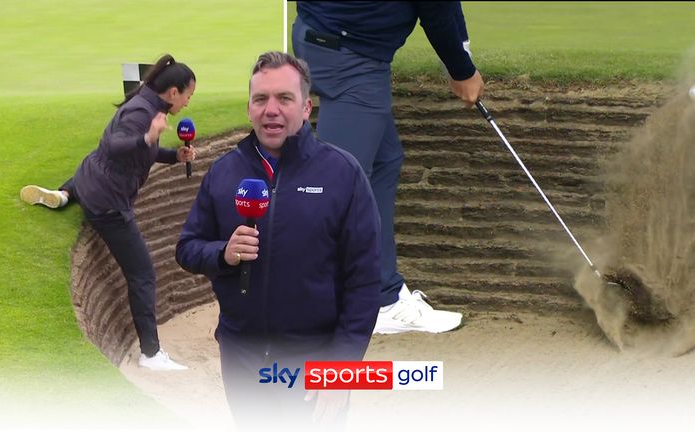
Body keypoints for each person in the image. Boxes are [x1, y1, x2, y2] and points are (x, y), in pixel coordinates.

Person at [175, 51, 381, 430]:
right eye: (261, 99)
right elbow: (188, 248)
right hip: (241, 357)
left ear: (306, 107)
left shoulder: (343, 174)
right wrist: (224, 253)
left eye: (284, 99)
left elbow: (365, 281)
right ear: (249, 108)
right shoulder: (223, 173)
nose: (271, 109)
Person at [292, 1, 485, 335]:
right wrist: (461, 70)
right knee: (340, 184)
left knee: (383, 161)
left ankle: (381, 293)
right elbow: (436, 10)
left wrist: (462, 52)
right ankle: (355, 303)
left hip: (330, 40)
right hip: (351, 58)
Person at [19, 54, 197, 371]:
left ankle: (64, 195)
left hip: (88, 179)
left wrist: (175, 156)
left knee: (93, 170)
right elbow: (118, 144)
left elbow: (140, 152)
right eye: (187, 95)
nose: (187, 102)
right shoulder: (143, 114)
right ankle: (150, 354)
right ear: (173, 93)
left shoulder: (146, 100)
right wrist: (149, 136)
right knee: (143, 274)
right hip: (108, 205)